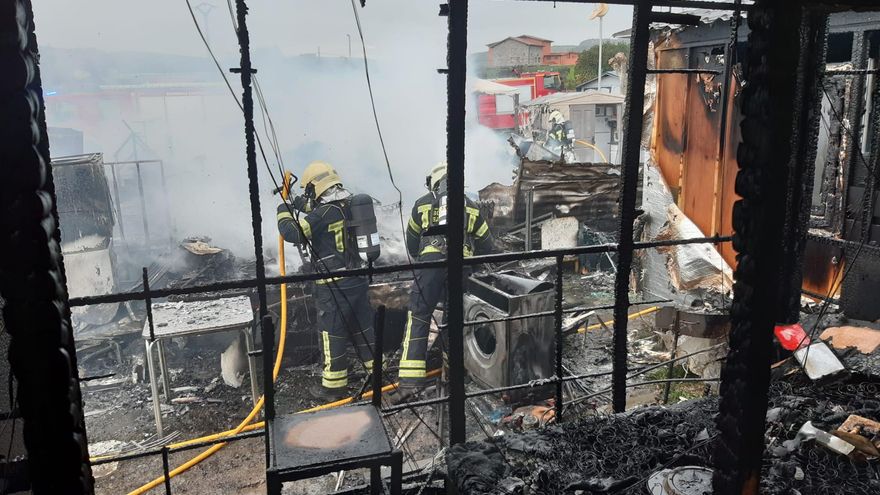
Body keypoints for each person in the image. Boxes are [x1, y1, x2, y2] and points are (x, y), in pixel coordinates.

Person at [277, 161, 375, 401]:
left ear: (316, 187)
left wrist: (282, 208)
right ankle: (377, 372)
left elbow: (293, 233)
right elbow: (312, 207)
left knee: (332, 333)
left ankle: (333, 387)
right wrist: (295, 202)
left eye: (308, 190)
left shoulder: (323, 213)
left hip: (333, 285)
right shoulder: (349, 205)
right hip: (357, 278)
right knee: (364, 329)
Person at [396, 161, 494, 392]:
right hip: (461, 268)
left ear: (434, 182)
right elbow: (486, 245)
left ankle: (410, 381)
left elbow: (411, 242)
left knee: (419, 315)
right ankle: (455, 373)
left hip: (430, 267)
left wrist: (425, 257)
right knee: (456, 318)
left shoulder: (421, 205)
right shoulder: (470, 206)